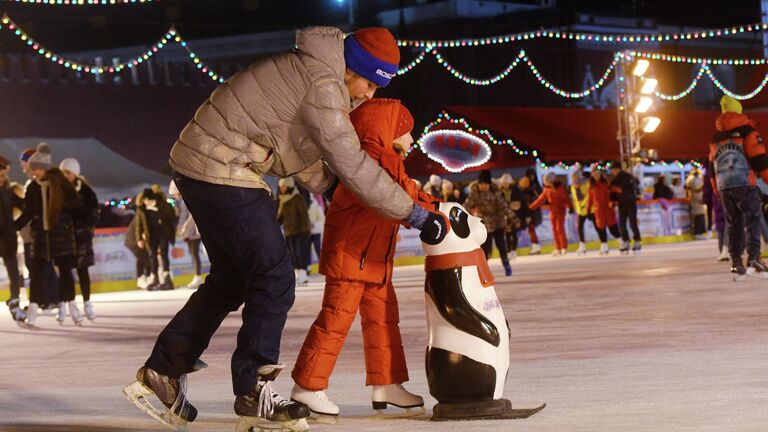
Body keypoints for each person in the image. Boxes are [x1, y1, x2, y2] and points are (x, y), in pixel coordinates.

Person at [126, 27, 449, 432]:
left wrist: (332, 189)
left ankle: (163, 372)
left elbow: (301, 151)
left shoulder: (313, 72)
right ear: (354, 68)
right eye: (369, 82)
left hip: (204, 163)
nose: (369, 94)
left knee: (230, 280)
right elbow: (350, 160)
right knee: (275, 275)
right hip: (224, 168)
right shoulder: (324, 84)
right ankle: (253, 392)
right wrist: (414, 214)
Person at [291, 99, 429, 418]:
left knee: (383, 319)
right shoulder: (376, 158)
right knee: (335, 321)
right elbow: (406, 195)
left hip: (372, 257)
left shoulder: (375, 157)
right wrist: (440, 213)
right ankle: (308, 386)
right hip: (353, 256)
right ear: (388, 131)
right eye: (407, 131)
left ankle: (387, 383)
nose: (412, 138)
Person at [15, 143, 83, 327]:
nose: (33, 172)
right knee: (36, 274)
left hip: (61, 236)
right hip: (41, 238)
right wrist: (13, 226)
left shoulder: (60, 184)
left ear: (44, 168)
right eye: (32, 169)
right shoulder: (33, 188)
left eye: (36, 169)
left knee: (65, 273)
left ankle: (73, 308)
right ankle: (33, 311)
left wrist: (71, 224)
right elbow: (27, 213)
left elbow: (76, 206)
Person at [708, 95, 768, 277]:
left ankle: (736, 262)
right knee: (753, 220)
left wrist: (717, 190)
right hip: (744, 182)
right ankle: (754, 258)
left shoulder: (715, 137)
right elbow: (758, 157)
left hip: (724, 186)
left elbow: (712, 166)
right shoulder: (746, 130)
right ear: (739, 110)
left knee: (733, 223)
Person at [60, 158, 99, 321]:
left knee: (83, 271)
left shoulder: (86, 191)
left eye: (67, 173)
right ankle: (66, 305)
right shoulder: (59, 190)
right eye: (63, 173)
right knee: (65, 272)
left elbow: (93, 213)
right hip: (65, 238)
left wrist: (83, 224)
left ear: (74, 174)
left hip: (81, 238)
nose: (65, 176)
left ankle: (87, 303)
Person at [464, 170, 515, 276]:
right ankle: (483, 269)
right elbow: (466, 206)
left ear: (489, 184)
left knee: (501, 246)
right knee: (485, 248)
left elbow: (504, 206)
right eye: (481, 183)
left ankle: (506, 266)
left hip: (498, 222)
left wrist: (514, 218)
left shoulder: (495, 192)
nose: (483, 186)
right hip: (484, 224)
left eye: (485, 184)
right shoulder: (475, 193)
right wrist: (461, 216)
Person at [134, 188, 176, 291]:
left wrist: (162, 217)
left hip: (163, 234)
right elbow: (139, 224)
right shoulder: (142, 209)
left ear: (149, 198)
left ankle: (166, 279)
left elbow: (172, 217)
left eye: (145, 199)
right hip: (151, 236)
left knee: (163, 254)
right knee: (152, 256)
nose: (144, 202)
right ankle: (154, 278)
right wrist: (139, 238)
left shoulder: (163, 205)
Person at [0, 156, 25, 323]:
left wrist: (15, 225)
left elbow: (26, 206)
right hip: (6, 237)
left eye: (3, 175)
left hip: (7, 239)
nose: (2, 179)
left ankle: (15, 302)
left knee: (14, 274)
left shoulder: (8, 192)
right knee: (13, 273)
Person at [529, 172, 573, 256]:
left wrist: (570, 207)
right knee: (554, 229)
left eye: (546, 181)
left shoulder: (559, 188)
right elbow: (540, 199)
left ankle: (564, 247)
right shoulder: (547, 189)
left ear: (551, 180)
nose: (545, 183)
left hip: (560, 210)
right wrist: (531, 208)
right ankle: (557, 248)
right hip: (552, 211)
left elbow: (566, 198)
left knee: (559, 228)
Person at [170, 180, 203, 290]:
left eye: (174, 194)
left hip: (193, 232)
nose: (174, 197)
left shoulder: (185, 201)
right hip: (190, 232)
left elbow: (189, 216)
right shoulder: (183, 201)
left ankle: (198, 276)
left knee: (194, 253)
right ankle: (197, 276)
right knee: (193, 253)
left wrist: (184, 228)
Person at [277, 177, 311, 286]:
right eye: (281, 187)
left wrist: (305, 230)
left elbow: (304, 215)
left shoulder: (297, 198)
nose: (282, 189)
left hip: (300, 231)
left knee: (299, 252)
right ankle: (297, 274)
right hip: (288, 231)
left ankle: (303, 274)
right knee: (292, 254)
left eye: (284, 186)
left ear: (289, 186)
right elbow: (281, 217)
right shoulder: (282, 199)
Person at [610, 161, 642, 254]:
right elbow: (613, 192)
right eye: (612, 170)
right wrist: (612, 200)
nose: (613, 172)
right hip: (621, 205)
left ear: (618, 169)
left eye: (614, 169)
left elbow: (632, 190)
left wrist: (621, 191)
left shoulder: (628, 177)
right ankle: (626, 241)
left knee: (632, 224)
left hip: (630, 204)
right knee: (622, 225)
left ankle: (637, 241)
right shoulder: (614, 180)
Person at [586, 164, 617, 255]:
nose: (597, 176)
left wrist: (612, 202)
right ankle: (604, 246)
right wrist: (588, 210)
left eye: (598, 174)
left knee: (612, 227)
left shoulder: (606, 184)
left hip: (607, 209)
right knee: (601, 228)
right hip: (598, 210)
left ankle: (621, 242)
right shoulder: (591, 187)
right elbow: (590, 200)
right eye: (595, 175)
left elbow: (611, 195)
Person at [125, 190, 153, 290]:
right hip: (134, 240)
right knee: (146, 260)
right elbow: (139, 227)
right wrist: (140, 238)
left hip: (135, 239)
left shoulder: (144, 211)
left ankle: (142, 279)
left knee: (142, 258)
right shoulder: (141, 212)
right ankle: (146, 279)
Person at [519, 169, 543, 254]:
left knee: (531, 228)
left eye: (533, 175)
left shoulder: (536, 186)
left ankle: (536, 247)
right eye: (530, 175)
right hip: (528, 210)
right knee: (530, 229)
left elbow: (541, 197)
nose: (532, 177)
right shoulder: (524, 187)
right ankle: (535, 246)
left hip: (534, 210)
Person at [569, 166, 591, 254]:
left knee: (598, 226)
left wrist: (583, 204)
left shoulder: (586, 183)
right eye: (573, 177)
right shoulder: (573, 186)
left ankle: (604, 243)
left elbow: (589, 195)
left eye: (575, 176)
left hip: (589, 208)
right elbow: (575, 198)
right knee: (580, 227)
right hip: (580, 210)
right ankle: (582, 245)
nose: (574, 178)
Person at [685, 168, 707, 240]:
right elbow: (695, 189)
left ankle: (700, 232)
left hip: (699, 199)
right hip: (696, 200)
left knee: (701, 217)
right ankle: (697, 233)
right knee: (697, 218)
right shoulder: (692, 179)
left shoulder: (697, 178)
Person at [306, 193, 325, 273]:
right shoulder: (304, 206)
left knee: (317, 248)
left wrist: (313, 224)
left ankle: (322, 265)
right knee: (307, 249)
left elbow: (321, 218)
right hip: (307, 232)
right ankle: (308, 267)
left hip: (315, 231)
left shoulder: (316, 206)